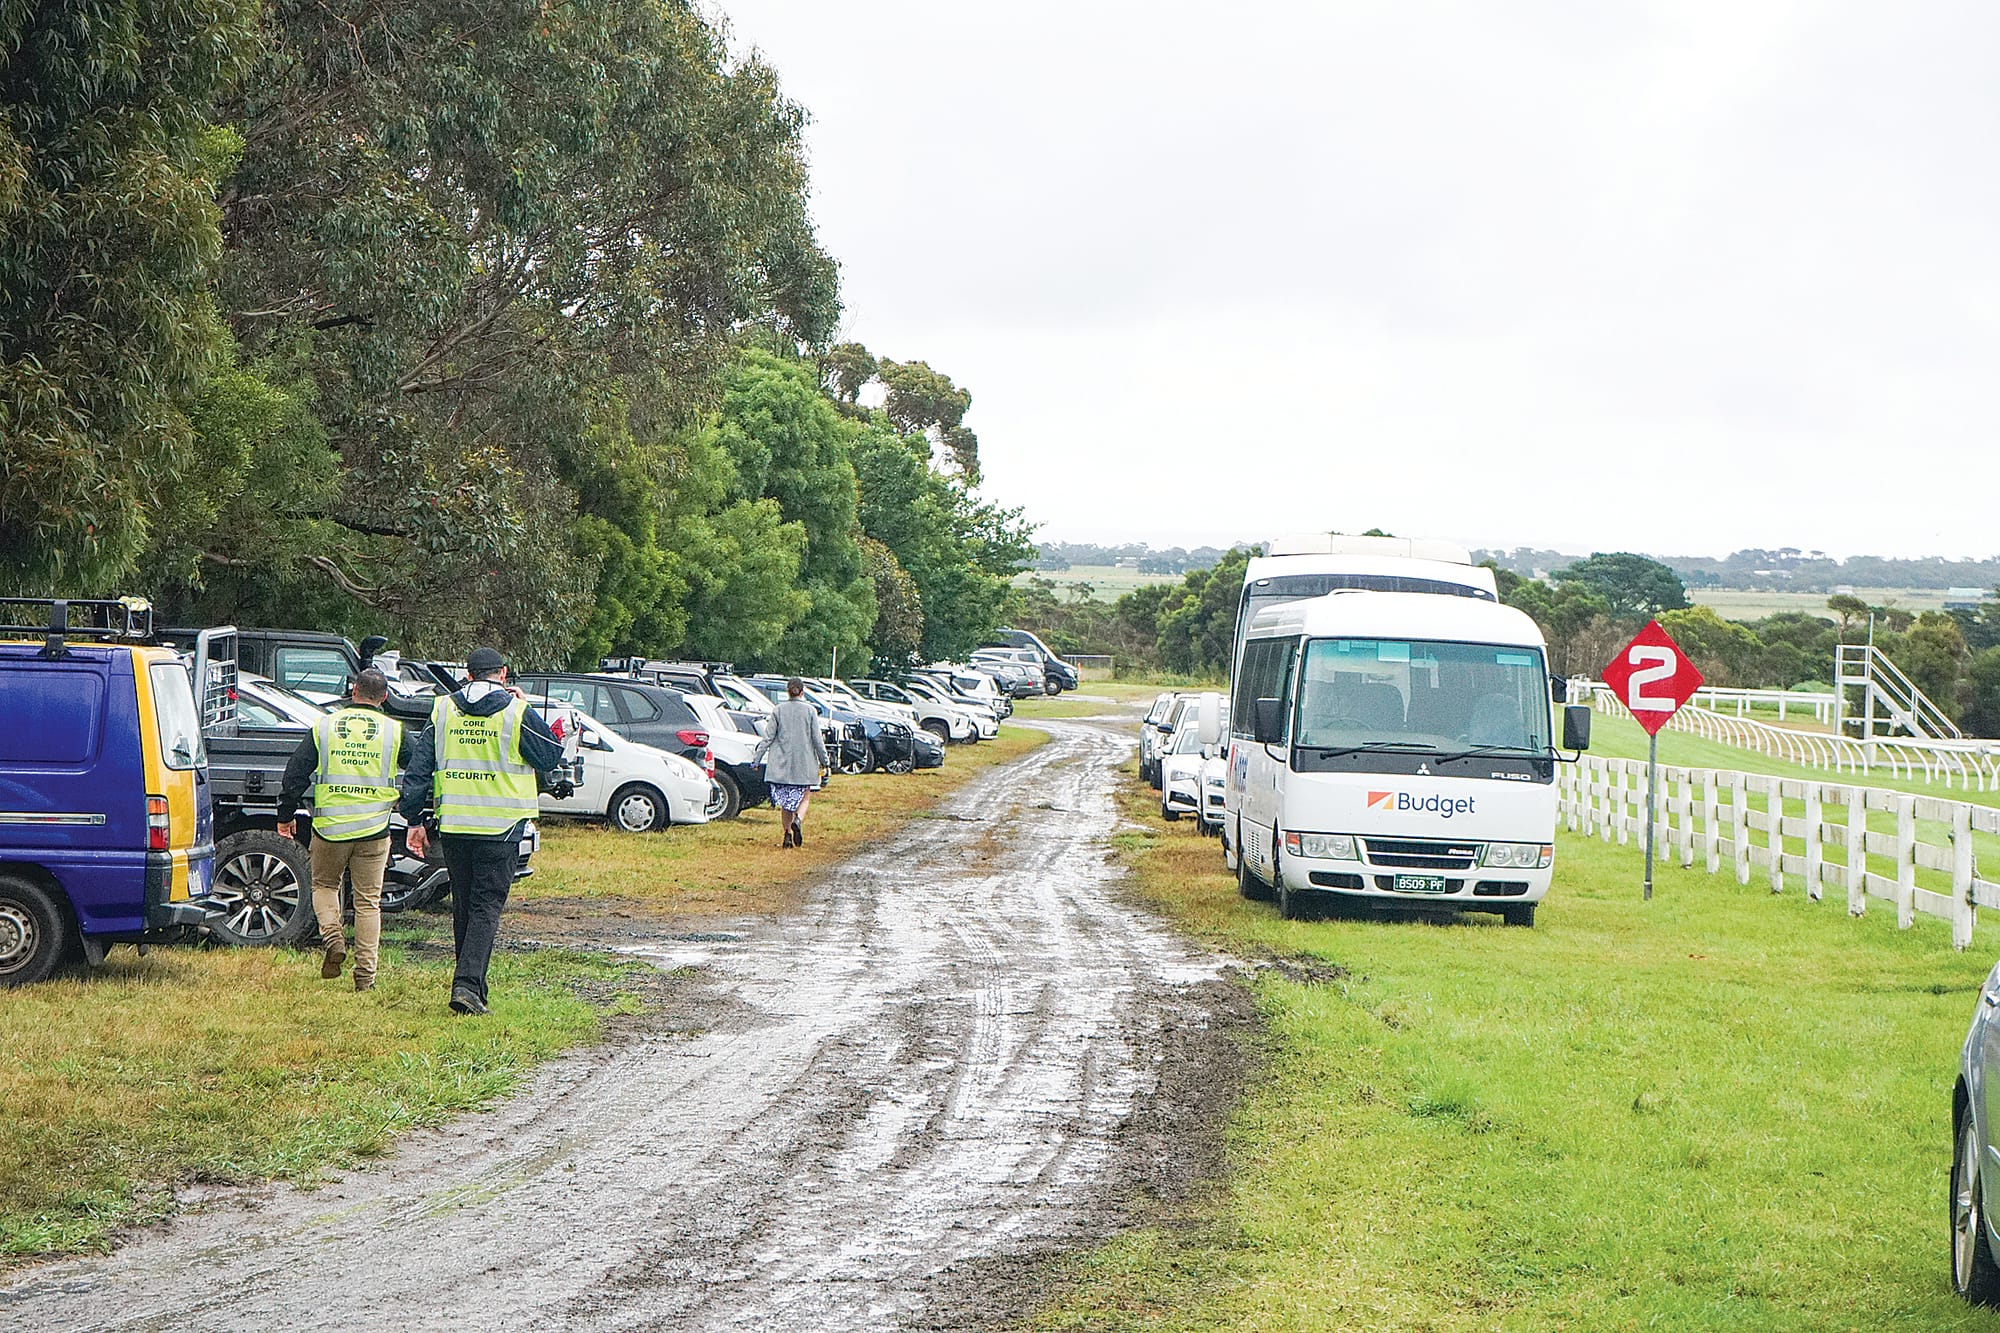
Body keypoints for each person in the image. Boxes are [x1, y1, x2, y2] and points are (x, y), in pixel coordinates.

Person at [401, 646, 564, 1015]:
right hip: (501, 828)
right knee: (486, 907)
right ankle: (467, 986)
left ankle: (472, 985)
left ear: (469, 674)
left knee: (465, 906)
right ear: (502, 675)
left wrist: (413, 819)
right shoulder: (516, 711)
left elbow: (418, 768)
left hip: (456, 825)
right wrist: (529, 710)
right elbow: (550, 755)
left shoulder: (443, 709)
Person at [277, 668, 412, 992]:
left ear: (353, 691)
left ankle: (333, 936)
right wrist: (411, 808)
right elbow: (419, 768)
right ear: (384, 697)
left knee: (324, 885)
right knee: (368, 902)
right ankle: (365, 977)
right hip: (374, 829)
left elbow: (296, 773)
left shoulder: (324, 727)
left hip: (330, 828)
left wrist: (285, 813)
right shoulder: (395, 731)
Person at [754, 677, 829, 848]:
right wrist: (825, 760)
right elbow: (817, 740)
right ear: (802, 692)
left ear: (787, 692)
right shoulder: (810, 711)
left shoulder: (778, 710)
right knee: (805, 796)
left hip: (782, 766)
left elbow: (768, 738)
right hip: (804, 764)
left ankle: (787, 834)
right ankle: (799, 820)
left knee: (786, 803)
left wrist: (757, 759)